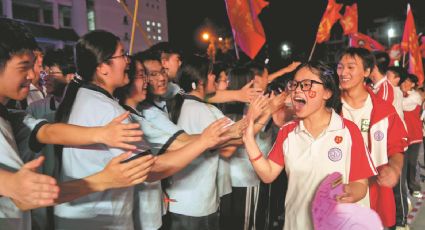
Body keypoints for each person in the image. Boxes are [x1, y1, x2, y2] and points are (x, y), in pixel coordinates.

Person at [0, 19, 153, 230]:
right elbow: (26, 198)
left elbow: (49, 131)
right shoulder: (103, 105)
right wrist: (103, 180)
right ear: (102, 67)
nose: (33, 75)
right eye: (23, 67)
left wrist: (102, 134)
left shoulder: (11, 115)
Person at [243, 61, 376, 230]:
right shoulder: (288, 132)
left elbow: (360, 184)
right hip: (296, 224)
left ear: (327, 92)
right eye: (295, 85)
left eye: (306, 85)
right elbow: (268, 174)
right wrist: (248, 138)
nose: (297, 90)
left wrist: (350, 191)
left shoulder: (348, 131)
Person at [114, 53, 233, 230]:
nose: (159, 78)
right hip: (163, 206)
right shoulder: (137, 116)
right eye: (146, 75)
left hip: (166, 203)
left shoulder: (166, 102)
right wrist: (209, 140)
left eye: (162, 71)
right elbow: (172, 149)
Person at [52, 30, 154, 230]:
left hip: (77, 214)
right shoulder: (109, 110)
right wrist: (207, 141)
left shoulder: (82, 95)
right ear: (102, 67)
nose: (128, 61)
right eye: (122, 55)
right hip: (100, 219)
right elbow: (148, 168)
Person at [166, 55, 263, 230]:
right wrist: (257, 114)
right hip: (193, 202)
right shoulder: (198, 109)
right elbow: (234, 137)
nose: (214, 78)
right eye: (211, 74)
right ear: (199, 80)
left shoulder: (189, 105)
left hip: (190, 199)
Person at [337, 47, 408, 227]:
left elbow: (396, 148)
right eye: (340, 67)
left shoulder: (384, 111)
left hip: (373, 193)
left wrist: (394, 168)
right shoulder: (329, 109)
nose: (343, 72)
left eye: (351, 67)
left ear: (367, 72)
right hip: (337, 191)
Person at [399, 73, 423, 199]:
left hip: (414, 136)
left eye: (408, 82)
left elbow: (402, 105)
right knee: (403, 164)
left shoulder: (415, 96)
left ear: (413, 85)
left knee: (412, 163)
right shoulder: (399, 94)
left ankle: (415, 187)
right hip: (402, 137)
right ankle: (404, 190)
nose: (404, 84)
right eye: (403, 82)